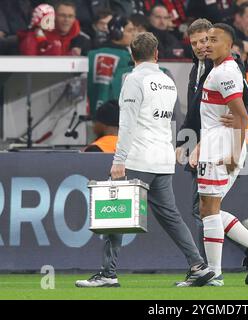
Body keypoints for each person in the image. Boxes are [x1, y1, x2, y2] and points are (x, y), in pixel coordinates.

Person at [76, 32, 214, 288]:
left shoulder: (133, 80)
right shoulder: (167, 81)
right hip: (162, 158)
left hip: (137, 159)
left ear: (131, 55)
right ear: (157, 53)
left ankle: (108, 273)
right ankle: (198, 265)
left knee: (115, 213)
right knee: (172, 217)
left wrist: (119, 160)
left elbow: (126, 124)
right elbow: (172, 118)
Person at [185, 23, 248, 287]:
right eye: (206, 40)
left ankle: (218, 270)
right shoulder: (218, 69)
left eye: (214, 40)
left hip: (222, 147)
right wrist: (201, 144)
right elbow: (212, 116)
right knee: (207, 209)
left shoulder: (224, 72)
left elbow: (240, 115)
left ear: (228, 46)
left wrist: (234, 154)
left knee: (208, 209)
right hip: (214, 144)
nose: (208, 44)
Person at [87, 15, 135, 116]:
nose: (133, 34)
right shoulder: (127, 58)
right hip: (115, 118)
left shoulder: (91, 54)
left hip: (91, 114)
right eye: (130, 31)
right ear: (117, 33)